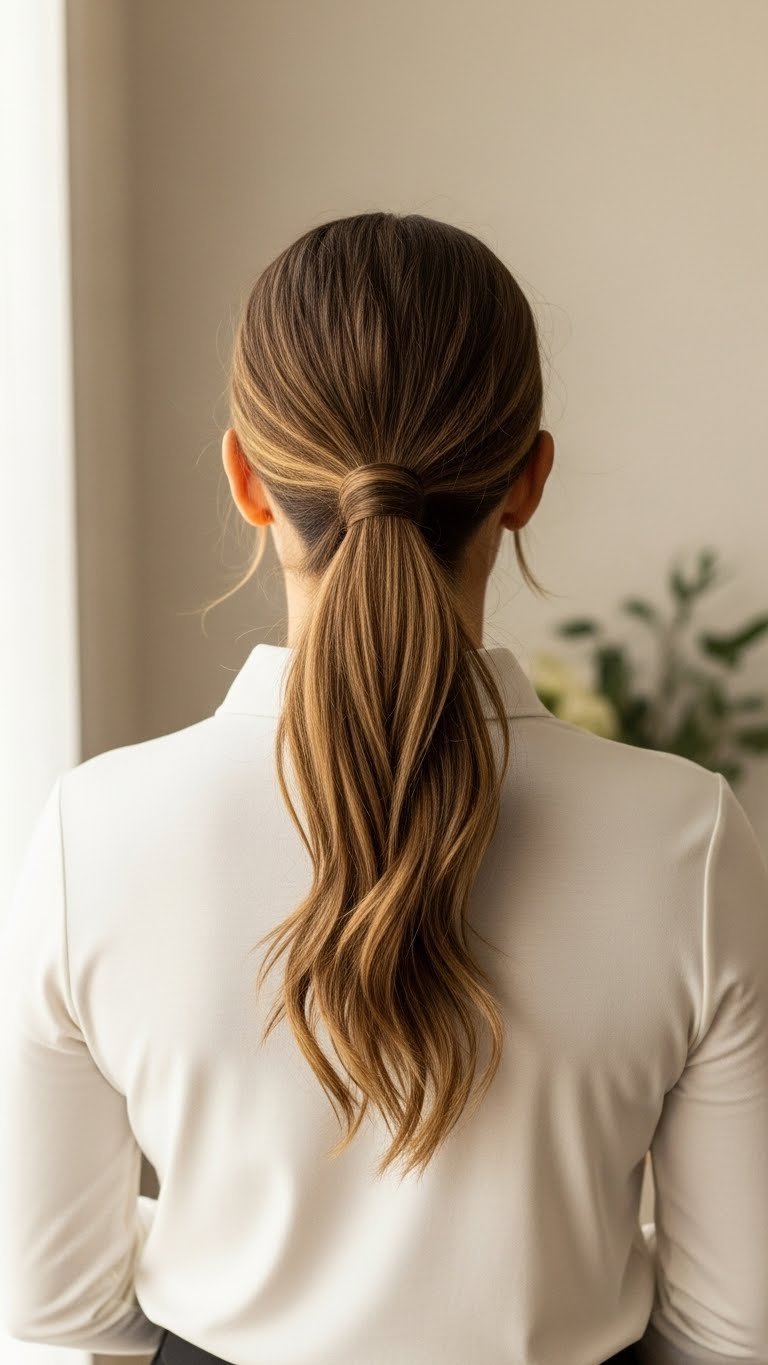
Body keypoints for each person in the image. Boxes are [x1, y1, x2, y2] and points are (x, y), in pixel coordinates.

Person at [1, 212, 766, 1365]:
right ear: (528, 480)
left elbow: (53, 1299)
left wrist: (242, 1280)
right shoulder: (688, 836)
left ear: (247, 480)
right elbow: (733, 1322)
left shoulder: (93, 833)